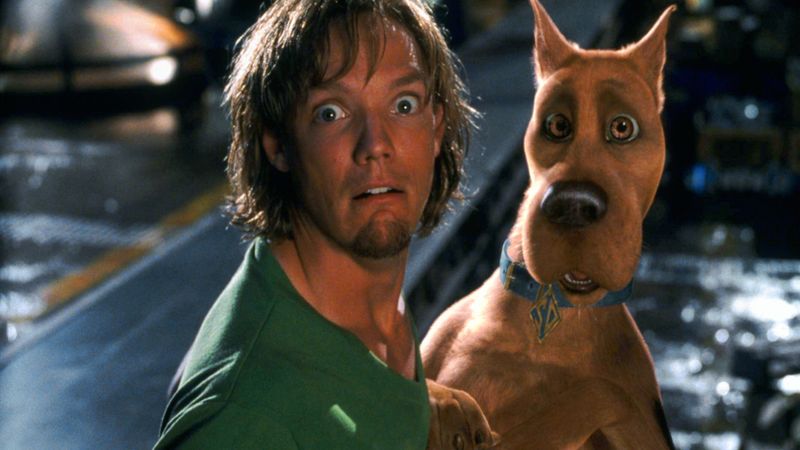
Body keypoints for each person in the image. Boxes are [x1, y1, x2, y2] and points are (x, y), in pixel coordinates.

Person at [153, 0, 479, 448]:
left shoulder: (368, 303)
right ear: (278, 146)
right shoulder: (243, 416)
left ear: (436, 127)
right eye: (331, 113)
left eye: (403, 105)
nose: (375, 145)